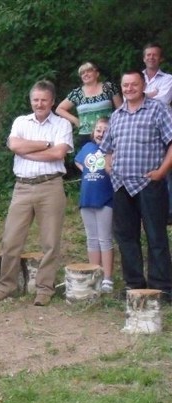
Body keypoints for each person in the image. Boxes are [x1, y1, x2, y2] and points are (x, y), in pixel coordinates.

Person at [0, 80, 73, 307]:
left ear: (53, 101)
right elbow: (15, 146)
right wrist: (46, 144)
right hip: (22, 187)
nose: (39, 104)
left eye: (44, 100)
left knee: (50, 241)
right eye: (36, 99)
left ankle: (45, 288)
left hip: (50, 186)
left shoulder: (62, 124)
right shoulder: (20, 122)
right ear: (31, 100)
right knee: (11, 239)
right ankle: (6, 286)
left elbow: (59, 153)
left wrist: (31, 151)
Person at [99, 70, 172, 301]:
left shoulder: (158, 109)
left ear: (142, 86)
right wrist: (110, 168)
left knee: (155, 236)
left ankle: (162, 288)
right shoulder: (117, 115)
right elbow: (106, 148)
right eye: (125, 85)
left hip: (149, 184)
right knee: (126, 237)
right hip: (121, 185)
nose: (129, 89)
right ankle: (134, 285)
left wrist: (161, 172)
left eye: (134, 84)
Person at [74, 117, 114, 293]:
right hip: (87, 199)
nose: (101, 133)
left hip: (105, 199)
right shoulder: (87, 148)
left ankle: (107, 278)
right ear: (93, 132)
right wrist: (86, 170)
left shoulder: (112, 150)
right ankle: (94, 273)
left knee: (104, 238)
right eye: (98, 130)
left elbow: (112, 170)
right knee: (91, 238)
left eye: (105, 131)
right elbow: (78, 160)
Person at [55, 62, 121, 147]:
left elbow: (120, 109)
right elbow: (59, 109)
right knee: (88, 159)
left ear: (97, 74)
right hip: (86, 135)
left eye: (89, 71)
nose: (85, 74)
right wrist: (76, 120)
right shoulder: (77, 93)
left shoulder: (108, 87)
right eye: (82, 73)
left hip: (108, 133)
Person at [142, 42, 172, 221]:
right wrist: (149, 93)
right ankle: (148, 209)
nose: (151, 57)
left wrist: (142, 95)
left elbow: (163, 99)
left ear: (160, 58)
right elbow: (127, 98)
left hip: (164, 127)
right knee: (147, 166)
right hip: (142, 128)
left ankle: (169, 212)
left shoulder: (168, 79)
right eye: (148, 55)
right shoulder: (136, 78)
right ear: (144, 58)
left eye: (155, 55)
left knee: (167, 169)